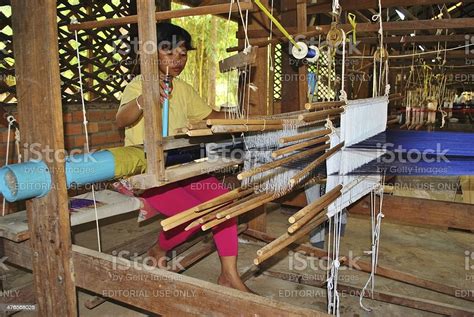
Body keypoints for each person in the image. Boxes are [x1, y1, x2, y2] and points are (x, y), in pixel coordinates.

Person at [116, 22, 251, 292]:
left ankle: (228, 275)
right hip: (147, 171)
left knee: (225, 204)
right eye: (169, 52)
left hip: (181, 168)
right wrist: (145, 99)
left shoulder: (184, 89)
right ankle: (157, 249)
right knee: (191, 216)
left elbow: (210, 115)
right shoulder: (138, 85)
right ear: (151, 54)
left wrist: (246, 118)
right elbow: (121, 120)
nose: (178, 59)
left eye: (183, 53)